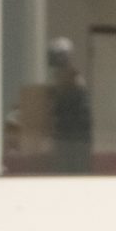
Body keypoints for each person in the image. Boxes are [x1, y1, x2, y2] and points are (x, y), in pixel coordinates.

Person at [46, 36, 93, 173]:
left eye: (60, 55)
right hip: (66, 136)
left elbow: (70, 106)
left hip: (73, 137)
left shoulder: (72, 77)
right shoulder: (59, 76)